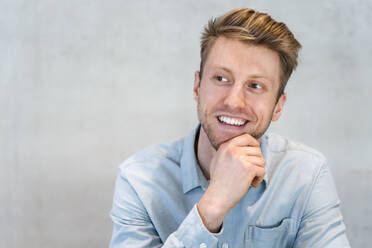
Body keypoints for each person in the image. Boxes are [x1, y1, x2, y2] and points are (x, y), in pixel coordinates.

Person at [109, 8, 350, 248]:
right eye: (221, 79)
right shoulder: (139, 180)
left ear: (278, 106)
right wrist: (212, 207)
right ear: (197, 86)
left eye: (255, 86)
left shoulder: (306, 174)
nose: (234, 101)